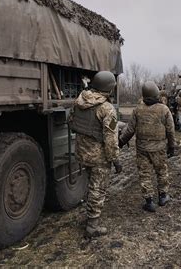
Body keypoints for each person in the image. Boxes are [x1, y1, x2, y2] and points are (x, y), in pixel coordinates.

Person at [69, 71, 121, 237]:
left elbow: (71, 121)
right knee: (98, 189)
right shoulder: (107, 109)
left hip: (82, 152)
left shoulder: (79, 101)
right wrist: (115, 159)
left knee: (90, 185)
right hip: (98, 157)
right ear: (109, 89)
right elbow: (111, 139)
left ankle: (89, 216)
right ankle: (92, 226)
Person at [119, 81, 176, 212]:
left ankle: (149, 201)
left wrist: (121, 142)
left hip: (142, 149)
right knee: (161, 171)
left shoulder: (137, 109)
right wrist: (171, 147)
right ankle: (163, 196)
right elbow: (170, 130)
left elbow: (129, 130)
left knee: (144, 174)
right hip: (159, 148)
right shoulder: (164, 109)